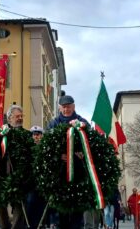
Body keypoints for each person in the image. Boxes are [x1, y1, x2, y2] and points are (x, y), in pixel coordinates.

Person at [47, 95, 89, 229]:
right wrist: (58, 155)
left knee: (77, 210)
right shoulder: (53, 124)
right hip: (60, 173)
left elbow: (91, 141)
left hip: (79, 172)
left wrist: (83, 153)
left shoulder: (83, 122)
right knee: (62, 212)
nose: (66, 109)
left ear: (74, 107)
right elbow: (46, 145)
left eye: (69, 106)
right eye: (64, 107)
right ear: (60, 108)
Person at [0, 105, 26, 229]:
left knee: (20, 206)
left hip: (20, 177)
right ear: (9, 119)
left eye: (21, 116)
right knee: (1, 206)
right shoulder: (0, 135)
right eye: (16, 116)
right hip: (3, 176)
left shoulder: (27, 135)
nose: (19, 118)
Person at [26, 125, 47, 229]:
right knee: (30, 202)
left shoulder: (45, 148)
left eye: (38, 134)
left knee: (41, 204)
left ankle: (41, 224)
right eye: (34, 135)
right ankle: (31, 225)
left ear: (42, 135)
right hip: (31, 182)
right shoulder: (27, 149)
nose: (36, 136)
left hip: (42, 182)